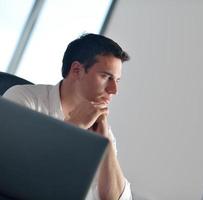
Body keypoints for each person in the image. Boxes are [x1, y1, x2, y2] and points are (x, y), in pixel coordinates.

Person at [3, 33, 132, 200]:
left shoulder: (103, 131)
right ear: (77, 70)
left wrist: (105, 143)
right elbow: (14, 170)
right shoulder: (23, 99)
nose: (114, 90)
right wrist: (75, 126)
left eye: (117, 80)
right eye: (106, 77)